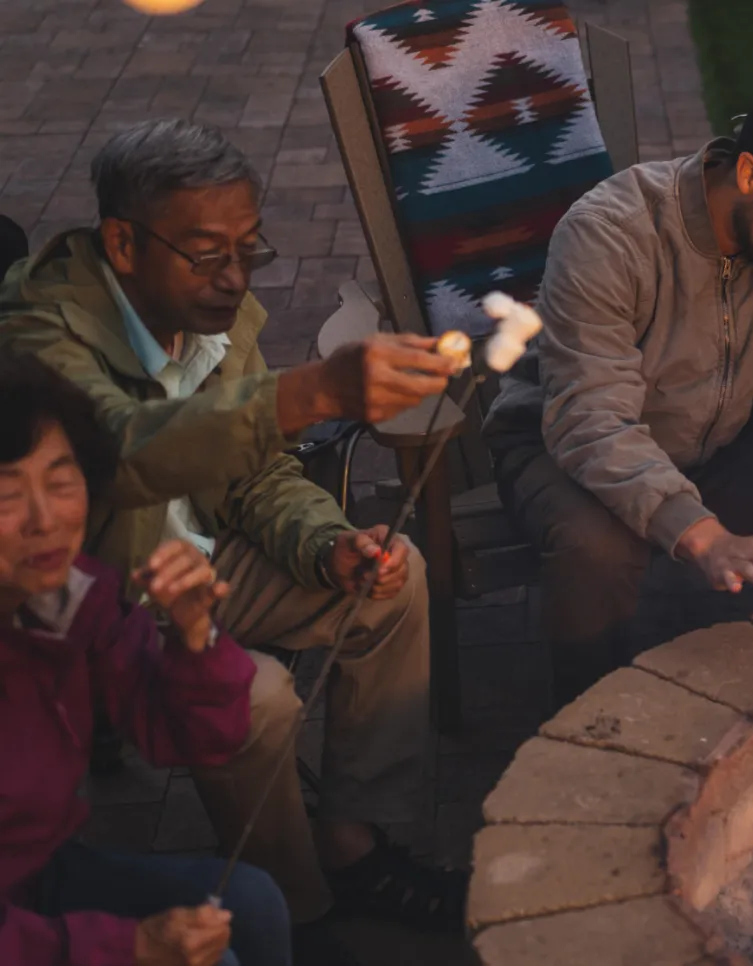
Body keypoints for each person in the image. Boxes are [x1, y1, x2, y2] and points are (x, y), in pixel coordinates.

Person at [0, 119, 466, 960]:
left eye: (249, 248)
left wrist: (329, 542)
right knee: (259, 701)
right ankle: (300, 905)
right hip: (113, 589)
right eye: (208, 253)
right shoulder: (40, 334)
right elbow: (122, 453)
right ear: (123, 242)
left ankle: (351, 844)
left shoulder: (221, 319)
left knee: (393, 583)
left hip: (202, 567)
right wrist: (310, 392)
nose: (235, 277)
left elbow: (255, 473)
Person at [485, 81, 753, 701]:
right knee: (596, 550)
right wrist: (701, 535)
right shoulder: (610, 234)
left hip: (715, 443)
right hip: (562, 446)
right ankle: (588, 729)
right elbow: (592, 420)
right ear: (750, 173)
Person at [0, 352, 291, 966]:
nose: (45, 520)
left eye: (60, 480)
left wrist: (194, 636)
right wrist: (126, 948)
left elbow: (191, 737)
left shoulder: (67, 596)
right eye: (5, 497)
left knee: (250, 899)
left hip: (40, 872)